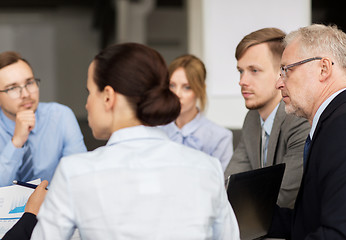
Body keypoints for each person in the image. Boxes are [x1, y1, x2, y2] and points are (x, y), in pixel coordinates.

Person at [16, 43, 240, 239]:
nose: (86, 104)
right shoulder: (206, 168)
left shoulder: (75, 172)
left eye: (89, 92)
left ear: (108, 97)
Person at [267, 24, 346, 239]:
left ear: (324, 69)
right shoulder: (337, 121)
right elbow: (312, 220)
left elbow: (343, 233)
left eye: (286, 70)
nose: (278, 83)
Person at [224, 28, 310, 208]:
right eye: (241, 71)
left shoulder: (299, 120)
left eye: (254, 70)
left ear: (282, 73)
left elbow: (283, 197)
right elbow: (230, 184)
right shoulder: (252, 119)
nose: (242, 81)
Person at [0, 51, 87, 187]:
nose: (26, 94)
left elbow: (80, 177)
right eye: (13, 88)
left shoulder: (60, 116)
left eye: (29, 83)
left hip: (54, 205)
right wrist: (16, 142)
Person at [159, 54, 233, 171]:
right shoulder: (156, 130)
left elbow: (223, 186)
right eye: (172, 86)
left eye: (187, 87)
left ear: (200, 90)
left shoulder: (220, 137)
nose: (177, 94)